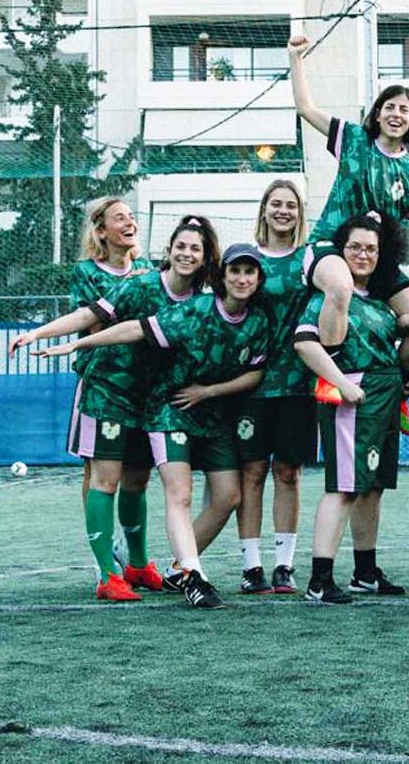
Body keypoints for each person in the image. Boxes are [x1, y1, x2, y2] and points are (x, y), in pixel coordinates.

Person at [37, 244, 273, 610]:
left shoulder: (259, 322)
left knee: (228, 496)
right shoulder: (193, 310)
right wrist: (75, 345)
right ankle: (185, 575)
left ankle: (177, 566)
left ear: (259, 280)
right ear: (222, 276)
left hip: (211, 412)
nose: (242, 278)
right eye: (235, 271)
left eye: (250, 272)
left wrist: (209, 391)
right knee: (172, 492)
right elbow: (134, 328)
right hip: (169, 409)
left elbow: (255, 371)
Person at [10, 216, 218, 601]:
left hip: (150, 401)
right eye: (181, 245)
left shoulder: (203, 303)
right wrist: (39, 333)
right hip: (109, 391)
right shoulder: (139, 284)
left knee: (137, 483)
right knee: (104, 481)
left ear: (206, 258)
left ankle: (137, 565)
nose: (187, 253)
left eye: (195, 248)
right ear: (169, 250)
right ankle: (107, 573)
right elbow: (91, 315)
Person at [286, 35, 409, 376]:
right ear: (378, 113)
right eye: (389, 106)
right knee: (340, 287)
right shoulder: (354, 139)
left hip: (377, 259)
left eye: (404, 109)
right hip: (331, 248)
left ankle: (395, 387)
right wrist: (296, 59)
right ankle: (334, 377)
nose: (396, 113)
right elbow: (305, 109)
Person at [294, 214, 409, 604]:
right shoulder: (327, 295)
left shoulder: (379, 301)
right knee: (343, 487)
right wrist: (343, 384)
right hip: (352, 394)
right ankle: (319, 579)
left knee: (371, 488)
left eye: (371, 249)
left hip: (384, 395)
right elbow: (305, 344)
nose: (363, 254)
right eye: (355, 247)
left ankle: (365, 572)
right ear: (340, 252)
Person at [232, 180, 316, 596]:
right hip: (249, 385)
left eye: (291, 205)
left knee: (288, 473)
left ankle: (284, 565)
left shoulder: (309, 258)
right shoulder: (246, 260)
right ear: (264, 209)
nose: (283, 211)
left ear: (300, 213)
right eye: (276, 204)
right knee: (251, 473)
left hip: (298, 384)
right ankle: (251, 566)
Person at [67, 197, 154, 508]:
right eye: (120, 218)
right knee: (98, 471)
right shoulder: (87, 271)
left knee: (136, 474)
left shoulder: (146, 268)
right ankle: (100, 548)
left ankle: (133, 552)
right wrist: (127, 289)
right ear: (101, 231)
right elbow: (93, 328)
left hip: (141, 387)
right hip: (100, 386)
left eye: (131, 216)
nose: (129, 223)